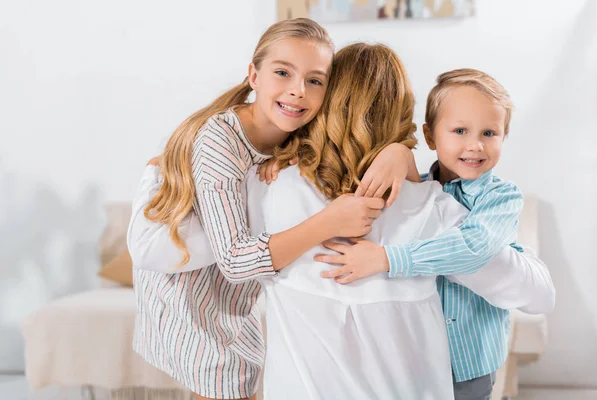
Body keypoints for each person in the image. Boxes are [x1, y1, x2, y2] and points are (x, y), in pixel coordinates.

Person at [130, 44, 554, 399]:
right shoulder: (433, 206)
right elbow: (536, 295)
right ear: (408, 121)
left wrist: (160, 175)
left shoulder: (267, 187)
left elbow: (157, 250)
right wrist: (401, 155)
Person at [130, 19, 418, 400]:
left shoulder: (300, 128)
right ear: (254, 76)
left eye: (315, 80)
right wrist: (328, 222)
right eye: (283, 72)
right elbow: (233, 260)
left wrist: (399, 152)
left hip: (234, 294)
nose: (298, 91)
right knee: (227, 382)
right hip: (188, 291)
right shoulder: (220, 139)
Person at [317, 68, 555, 399]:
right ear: (430, 136)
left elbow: (473, 247)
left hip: (470, 363)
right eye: (460, 130)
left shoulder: (500, 197)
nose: (476, 145)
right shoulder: (416, 189)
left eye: (490, 133)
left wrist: (387, 259)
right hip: (415, 359)